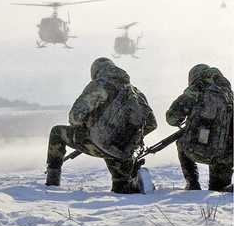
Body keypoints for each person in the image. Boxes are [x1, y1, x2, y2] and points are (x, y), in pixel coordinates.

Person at [45, 57, 157, 193]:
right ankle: (135, 184)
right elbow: (152, 124)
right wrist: (128, 138)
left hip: (101, 144)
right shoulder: (135, 92)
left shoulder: (100, 85)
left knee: (56, 132)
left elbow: (75, 116)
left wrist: (89, 127)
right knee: (121, 189)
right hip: (125, 151)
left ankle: (52, 183)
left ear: (95, 72)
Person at [166, 64, 233, 192]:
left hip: (196, 150)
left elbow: (172, 117)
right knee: (218, 191)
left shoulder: (197, 89)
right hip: (224, 156)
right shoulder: (229, 95)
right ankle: (223, 189)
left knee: (180, 143)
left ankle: (192, 184)